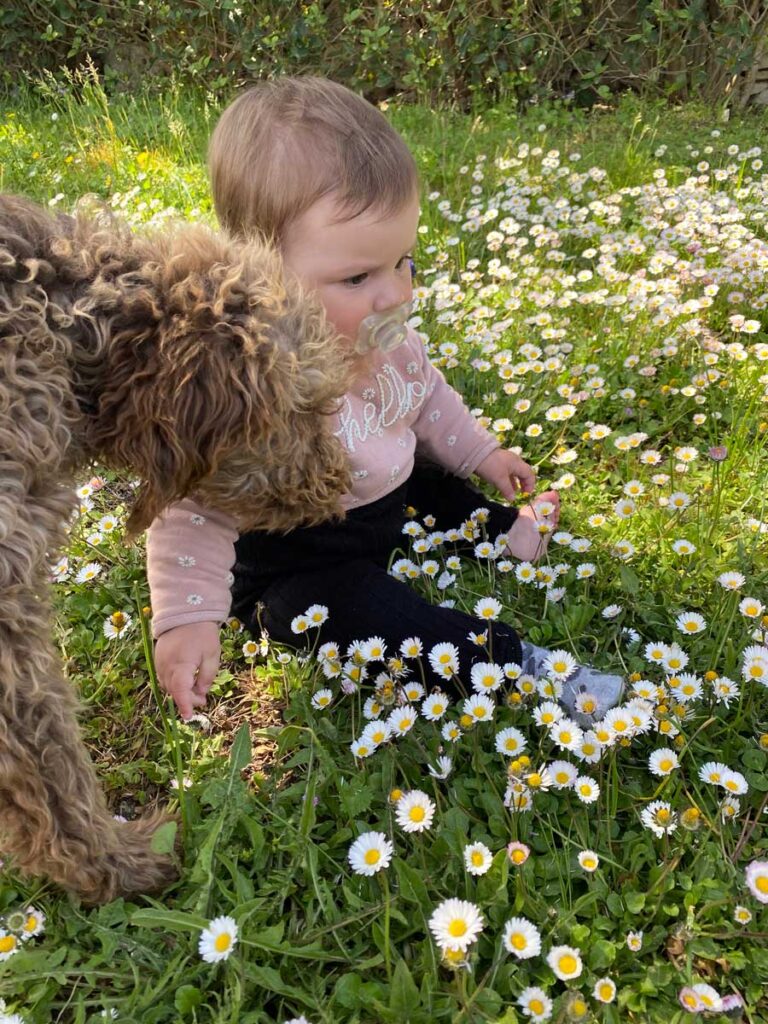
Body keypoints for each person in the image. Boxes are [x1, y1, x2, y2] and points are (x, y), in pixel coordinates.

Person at [146, 77, 624, 722]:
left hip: (382, 502)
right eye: (357, 276)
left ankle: (503, 530)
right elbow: (191, 511)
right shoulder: (244, 388)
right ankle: (508, 662)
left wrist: (482, 451)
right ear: (258, 276)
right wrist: (186, 618)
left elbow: (427, 400)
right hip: (297, 561)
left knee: (429, 482)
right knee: (358, 616)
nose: (396, 294)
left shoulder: (388, 339)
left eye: (404, 261)